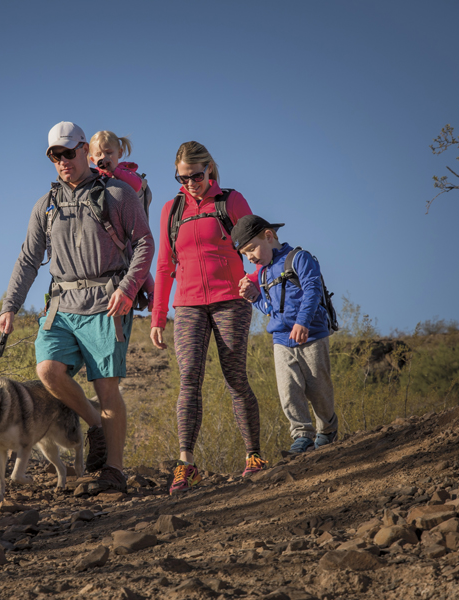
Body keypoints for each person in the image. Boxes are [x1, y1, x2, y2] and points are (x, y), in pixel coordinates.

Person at [0, 122, 154, 492]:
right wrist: (10, 307)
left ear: (85, 149)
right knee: (48, 369)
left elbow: (144, 243)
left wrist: (128, 289)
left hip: (107, 301)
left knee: (106, 386)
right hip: (62, 303)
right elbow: (28, 259)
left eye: (69, 152)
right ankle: (97, 425)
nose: (63, 160)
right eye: (56, 155)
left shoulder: (118, 194)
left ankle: (113, 472)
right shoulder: (46, 205)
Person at [149, 141, 266, 495]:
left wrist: (254, 282)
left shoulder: (230, 201)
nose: (190, 184)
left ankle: (254, 457)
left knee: (234, 376)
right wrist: (158, 316)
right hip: (186, 305)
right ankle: (186, 465)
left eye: (196, 176)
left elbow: (259, 245)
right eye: (182, 178)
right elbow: (165, 265)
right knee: (189, 379)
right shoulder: (172, 209)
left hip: (230, 299)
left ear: (209, 169)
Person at [233, 214, 339, 455]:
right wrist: (253, 297)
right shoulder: (262, 274)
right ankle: (302, 434)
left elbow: (313, 289)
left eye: (251, 249)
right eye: (245, 254)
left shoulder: (299, 258)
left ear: (269, 236)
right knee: (288, 390)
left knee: (318, 387)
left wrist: (302, 322)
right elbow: (270, 310)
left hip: (312, 333)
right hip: (281, 339)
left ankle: (327, 430)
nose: (250, 257)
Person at [89, 130, 155, 309]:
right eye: (99, 154)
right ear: (91, 159)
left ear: (119, 153)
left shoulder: (126, 171)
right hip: (110, 231)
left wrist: (114, 170)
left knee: (136, 256)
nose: (105, 157)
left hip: (129, 229)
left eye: (109, 152)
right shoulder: (92, 178)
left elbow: (135, 185)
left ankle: (151, 291)